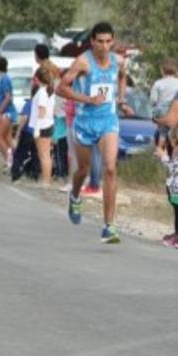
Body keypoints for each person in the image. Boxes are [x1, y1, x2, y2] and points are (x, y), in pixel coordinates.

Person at [57, 22, 132, 244]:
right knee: (83, 169)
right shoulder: (83, 62)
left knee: (110, 168)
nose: (104, 46)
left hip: (108, 120)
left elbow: (122, 77)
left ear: (113, 41)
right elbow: (62, 87)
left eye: (109, 41)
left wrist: (121, 99)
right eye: (100, 41)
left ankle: (108, 226)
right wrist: (88, 99)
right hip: (84, 122)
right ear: (92, 41)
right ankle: (75, 195)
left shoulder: (118, 61)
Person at [31, 65, 56, 186]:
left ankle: (46, 181)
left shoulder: (41, 92)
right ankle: (46, 180)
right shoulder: (47, 90)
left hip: (42, 126)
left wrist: (37, 128)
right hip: (47, 125)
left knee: (44, 155)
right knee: (45, 155)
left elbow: (42, 111)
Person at [151, 57, 178, 152]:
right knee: (171, 130)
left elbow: (153, 100)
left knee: (162, 130)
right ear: (176, 71)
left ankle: (160, 147)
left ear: (162, 70)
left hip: (162, 109)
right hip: (175, 108)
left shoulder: (158, 83)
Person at [0, 56, 18, 170]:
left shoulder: (4, 79)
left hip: (7, 113)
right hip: (10, 112)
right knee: (8, 138)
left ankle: (9, 161)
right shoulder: (5, 78)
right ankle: (16, 160)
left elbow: (8, 97)